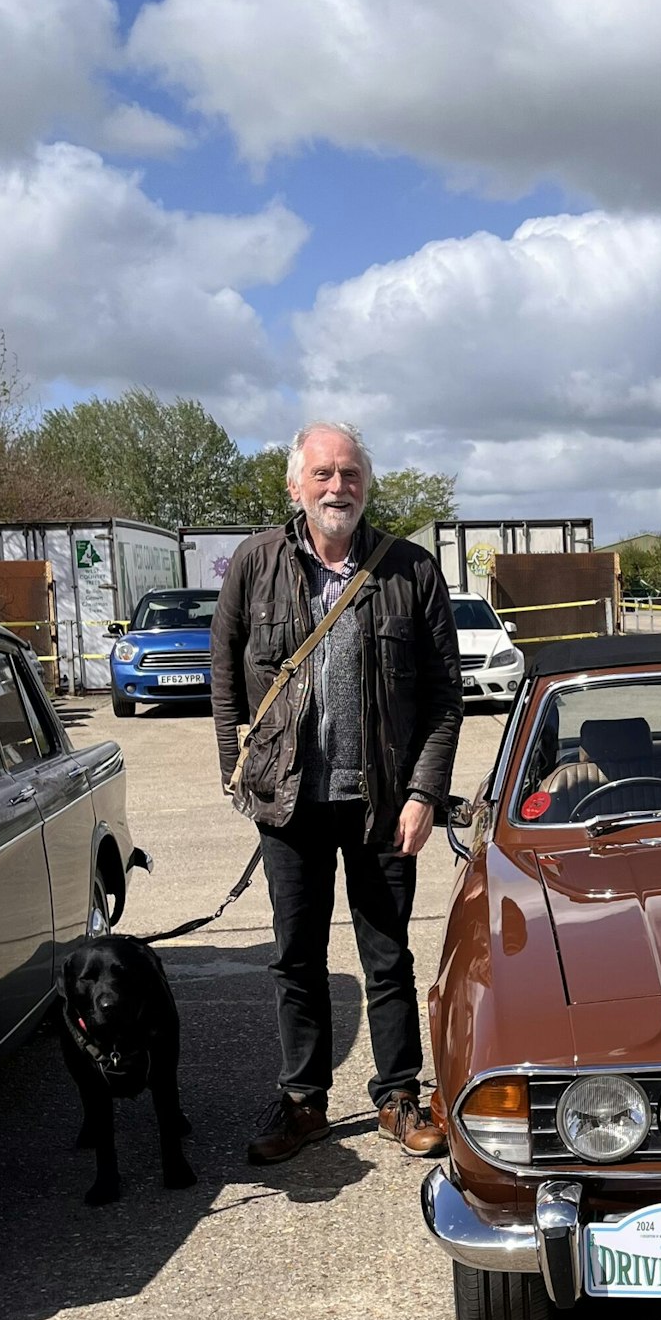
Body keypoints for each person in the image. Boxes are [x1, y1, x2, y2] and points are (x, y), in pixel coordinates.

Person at [211, 421, 462, 1164]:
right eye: (322, 474)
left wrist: (425, 791)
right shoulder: (256, 563)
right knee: (296, 955)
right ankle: (303, 1103)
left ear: (365, 484)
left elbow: (446, 697)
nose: (336, 487)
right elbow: (225, 675)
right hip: (289, 802)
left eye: (349, 474)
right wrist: (238, 770)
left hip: (384, 803)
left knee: (387, 956)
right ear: (295, 484)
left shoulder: (410, 569)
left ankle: (397, 1096)